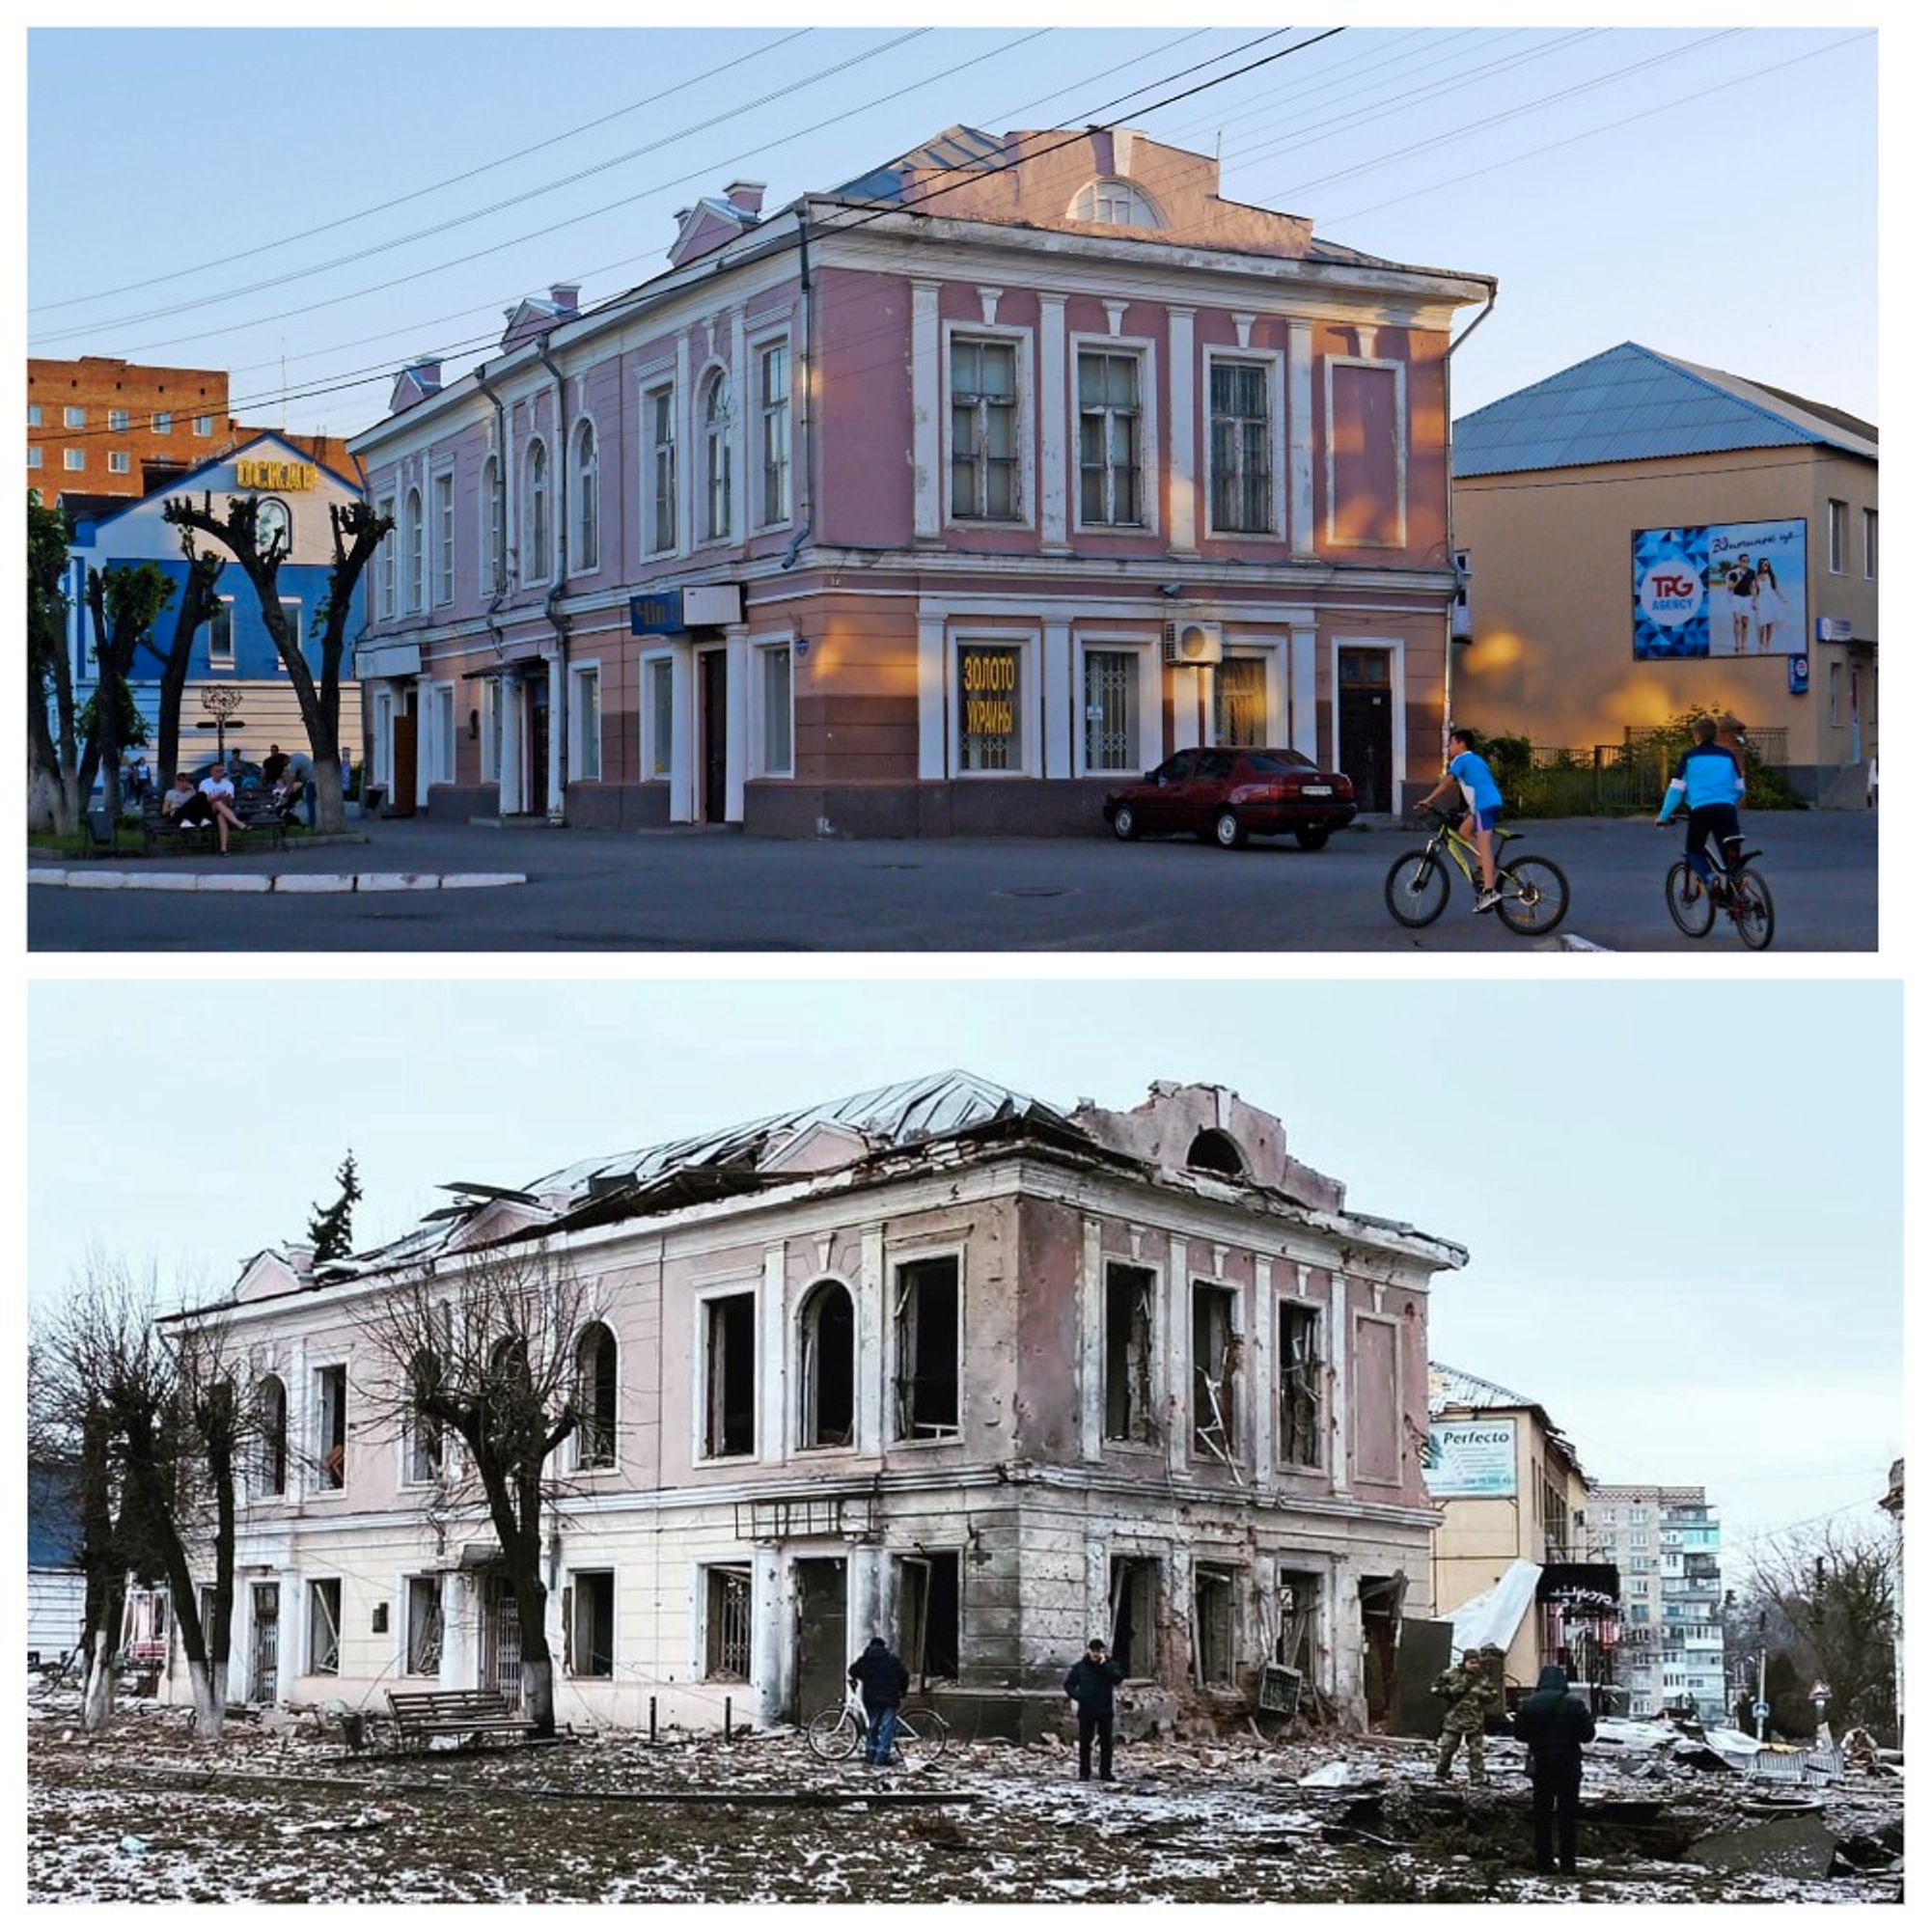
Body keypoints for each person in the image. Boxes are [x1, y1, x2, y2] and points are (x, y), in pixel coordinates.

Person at [1512, 1664, 1596, 1876]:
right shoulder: (1574, 1704)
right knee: (1568, 1817)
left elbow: (1519, 1735)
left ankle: (1544, 1863)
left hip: (1541, 1765)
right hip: (1568, 1765)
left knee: (1543, 1815)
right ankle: (1568, 1865)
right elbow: (1588, 1735)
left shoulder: (1528, 1704)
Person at [1418, 728, 1507, 913]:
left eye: (1451, 743)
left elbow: (1446, 782)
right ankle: (1484, 870)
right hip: (1487, 803)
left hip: (1484, 805)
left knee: (1484, 846)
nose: (1449, 747)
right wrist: (1467, 812)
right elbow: (1481, 784)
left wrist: (1428, 799)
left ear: (1461, 744)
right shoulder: (1478, 760)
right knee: (1464, 831)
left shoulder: (1461, 760)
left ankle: (1490, 891)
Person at [1657, 716, 1746, 892]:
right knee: (1730, 851)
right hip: (1727, 809)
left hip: (1701, 810)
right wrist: (1726, 799)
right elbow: (1740, 787)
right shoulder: (1727, 756)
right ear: (1714, 736)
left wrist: (1663, 816)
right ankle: (1738, 895)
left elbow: (1676, 790)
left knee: (1694, 851)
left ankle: (1709, 877)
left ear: (1697, 736)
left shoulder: (1689, 757)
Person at [1063, 1637, 1127, 1782]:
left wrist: (1105, 1665)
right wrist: (1079, 1696)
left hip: (1105, 1709)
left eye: (1098, 1651)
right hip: (1086, 1709)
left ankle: (1106, 1772)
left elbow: (1118, 1679)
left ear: (1102, 1652)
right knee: (1085, 1742)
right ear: (1089, 1651)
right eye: (1093, 1651)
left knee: (1106, 1743)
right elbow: (1068, 1684)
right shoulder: (1080, 1667)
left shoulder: (1110, 1665)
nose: (1095, 1654)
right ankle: (1084, 1773)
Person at [1432, 1649, 1498, 1784]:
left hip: (1475, 1721)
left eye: (1477, 1663)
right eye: (1471, 1662)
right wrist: (1451, 1691)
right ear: (1464, 1662)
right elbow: (1435, 1689)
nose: (1475, 1666)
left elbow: (1494, 1695)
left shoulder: (1483, 1678)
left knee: (1476, 1752)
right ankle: (1441, 1774)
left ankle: (1477, 1778)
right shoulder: (1451, 1675)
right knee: (1447, 1749)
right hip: (1454, 1719)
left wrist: (1482, 1694)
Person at [846, 1636, 909, 1768]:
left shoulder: (865, 1660)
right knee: (887, 1727)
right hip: (890, 1699)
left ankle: (871, 1752)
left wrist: (856, 1678)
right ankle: (882, 1755)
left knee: (872, 1725)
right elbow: (904, 1675)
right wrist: (902, 1691)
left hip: (872, 1699)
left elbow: (852, 1670)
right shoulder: (892, 1660)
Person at [194, 762, 249, 855]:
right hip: (207, 811)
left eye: (222, 771)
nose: (220, 773)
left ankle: (223, 849)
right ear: (212, 772)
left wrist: (227, 799)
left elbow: (230, 804)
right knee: (217, 802)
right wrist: (218, 797)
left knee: (221, 816)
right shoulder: (205, 783)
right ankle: (239, 824)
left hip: (224, 812)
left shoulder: (228, 784)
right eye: (218, 771)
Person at [1753, 559, 1786, 655]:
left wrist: (1782, 598)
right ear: (1760, 566)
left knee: (1770, 624)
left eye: (1767, 565)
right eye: (1764, 565)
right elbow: (1755, 590)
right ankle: (1760, 644)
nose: (1765, 566)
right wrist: (1754, 602)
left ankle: (1767, 644)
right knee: (1761, 624)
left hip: (1771, 600)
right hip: (1761, 600)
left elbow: (1776, 589)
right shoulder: (1756, 577)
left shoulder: (1771, 576)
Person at [1724, 553, 1755, 652]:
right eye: (1744, 561)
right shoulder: (1734, 573)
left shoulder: (1751, 572)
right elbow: (1730, 587)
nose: (1746, 563)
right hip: (1736, 597)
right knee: (1737, 620)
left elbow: (1753, 586)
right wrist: (1739, 579)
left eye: (1747, 561)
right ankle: (1737, 643)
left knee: (1745, 622)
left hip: (1748, 598)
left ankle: (1744, 643)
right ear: (1740, 562)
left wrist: (1754, 600)